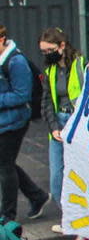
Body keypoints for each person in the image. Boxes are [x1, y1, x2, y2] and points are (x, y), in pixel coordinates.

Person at [38, 27, 89, 240]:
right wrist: (53, 128)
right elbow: (47, 102)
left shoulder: (81, 65)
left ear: (62, 46)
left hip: (78, 127)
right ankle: (71, 220)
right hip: (59, 127)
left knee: (81, 179)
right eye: (43, 51)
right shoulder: (51, 69)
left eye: (49, 50)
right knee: (56, 179)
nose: (46, 55)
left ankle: (85, 231)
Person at [0, 24, 49, 222]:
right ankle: (38, 196)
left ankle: (8, 216)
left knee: (5, 167)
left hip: (14, 122)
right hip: (3, 121)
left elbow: (22, 95)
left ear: (2, 39)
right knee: (5, 164)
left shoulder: (16, 61)